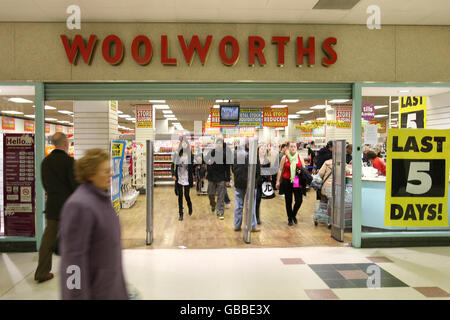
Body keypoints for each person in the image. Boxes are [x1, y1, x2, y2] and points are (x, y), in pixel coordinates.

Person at [59, 148, 128, 300]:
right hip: (96, 292)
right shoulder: (79, 206)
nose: (111, 175)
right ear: (90, 174)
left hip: (110, 289)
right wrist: (75, 296)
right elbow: (72, 261)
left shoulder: (102, 199)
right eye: (105, 171)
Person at [34, 132, 78, 283]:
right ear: (65, 144)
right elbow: (75, 185)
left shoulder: (45, 162)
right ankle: (73, 273)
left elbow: (45, 184)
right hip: (68, 207)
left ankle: (42, 272)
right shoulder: (69, 162)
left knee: (48, 240)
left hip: (52, 205)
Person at [232, 138, 260, 232]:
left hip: (239, 183)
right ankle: (252, 226)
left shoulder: (236, 153)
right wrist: (255, 180)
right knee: (251, 205)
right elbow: (258, 170)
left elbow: (233, 168)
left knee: (238, 205)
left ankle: (237, 225)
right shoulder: (253, 154)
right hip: (250, 183)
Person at [276, 142, 306, 226]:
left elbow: (304, 169)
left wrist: (301, 171)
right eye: (291, 147)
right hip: (286, 180)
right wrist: (278, 181)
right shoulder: (284, 158)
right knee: (288, 200)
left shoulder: (300, 157)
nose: (293, 148)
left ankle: (293, 214)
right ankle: (290, 218)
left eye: (294, 147)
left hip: (296, 180)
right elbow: (280, 170)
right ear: (288, 148)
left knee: (299, 200)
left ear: (297, 148)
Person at [205, 138, 232, 220]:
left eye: (220, 143)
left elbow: (227, 167)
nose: (219, 144)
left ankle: (220, 211)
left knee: (221, 196)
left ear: (222, 144)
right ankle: (213, 205)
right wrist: (208, 162)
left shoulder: (225, 154)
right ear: (216, 144)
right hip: (211, 177)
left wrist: (228, 180)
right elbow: (206, 159)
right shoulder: (212, 152)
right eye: (218, 143)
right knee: (210, 193)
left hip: (221, 178)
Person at [171, 138, 195, 221]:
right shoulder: (177, 154)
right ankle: (181, 213)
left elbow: (193, 167)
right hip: (179, 177)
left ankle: (189, 205)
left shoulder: (190, 155)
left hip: (187, 178)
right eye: (183, 143)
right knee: (180, 196)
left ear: (187, 145)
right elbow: (172, 165)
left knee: (186, 195)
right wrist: (173, 174)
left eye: (185, 143)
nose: (184, 145)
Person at [256, 144, 271, 225]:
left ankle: (257, 217)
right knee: (256, 200)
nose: (263, 150)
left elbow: (268, 172)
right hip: (255, 183)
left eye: (264, 149)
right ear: (258, 150)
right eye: (261, 149)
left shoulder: (267, 160)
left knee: (258, 200)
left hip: (263, 183)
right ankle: (255, 217)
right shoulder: (254, 159)